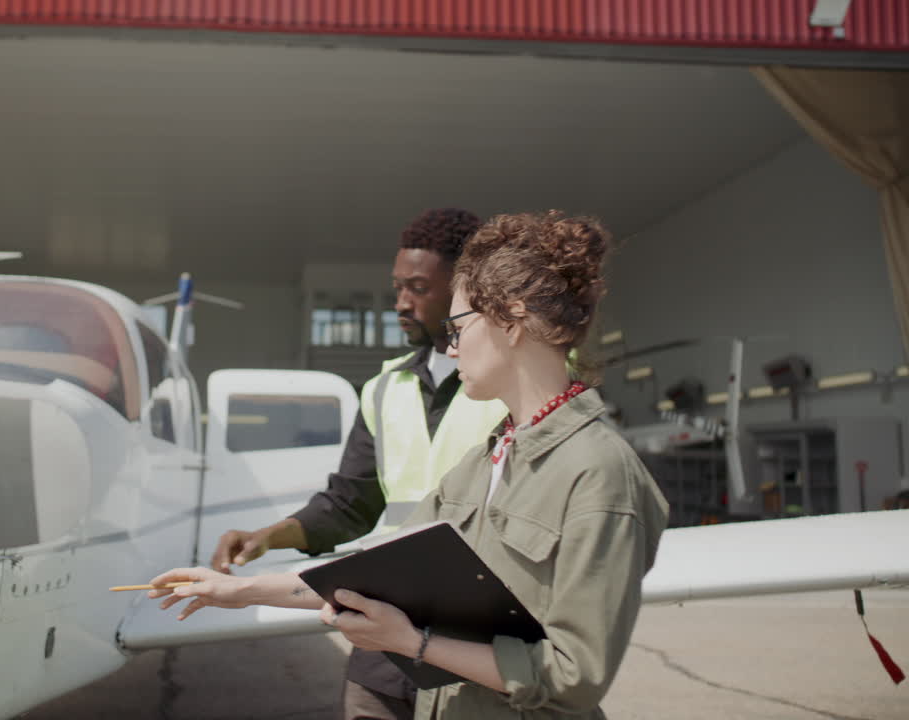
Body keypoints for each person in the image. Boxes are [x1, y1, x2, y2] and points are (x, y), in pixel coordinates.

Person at [151, 211, 670, 720]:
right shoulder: (488, 458)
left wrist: (413, 643)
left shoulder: (598, 473)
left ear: (511, 322)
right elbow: (375, 572)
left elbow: (573, 677)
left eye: (459, 324)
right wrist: (238, 591)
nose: (450, 343)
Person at [210, 207, 509, 719]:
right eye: (398, 287)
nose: (400, 303)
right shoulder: (383, 389)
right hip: (382, 645)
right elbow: (349, 503)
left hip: (478, 641)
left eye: (417, 288)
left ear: (467, 291)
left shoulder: (515, 382)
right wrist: (269, 535)